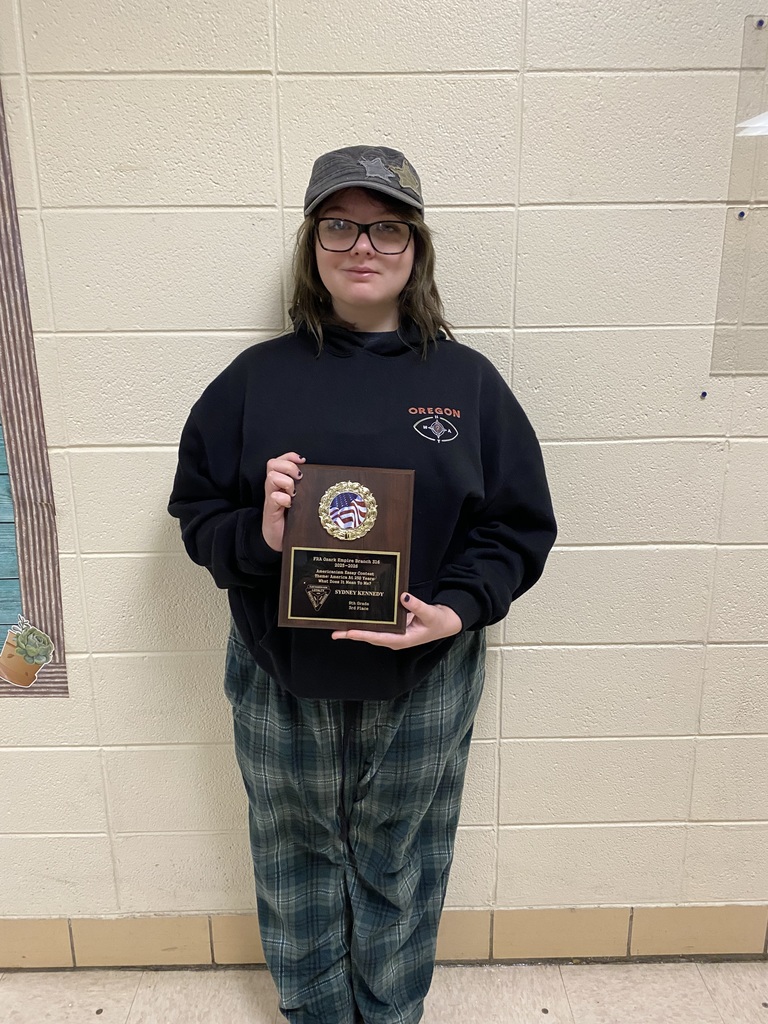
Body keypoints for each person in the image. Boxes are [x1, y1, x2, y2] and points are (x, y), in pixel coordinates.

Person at [168, 144, 557, 1024]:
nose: (362, 245)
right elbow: (196, 515)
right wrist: (260, 536)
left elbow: (517, 528)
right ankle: (313, 1012)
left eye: (386, 227)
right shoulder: (251, 384)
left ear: (415, 248)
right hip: (281, 672)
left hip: (424, 675)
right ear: (313, 243)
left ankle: (390, 1012)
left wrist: (455, 609)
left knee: (402, 855)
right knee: (291, 852)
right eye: (339, 224)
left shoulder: (467, 386)